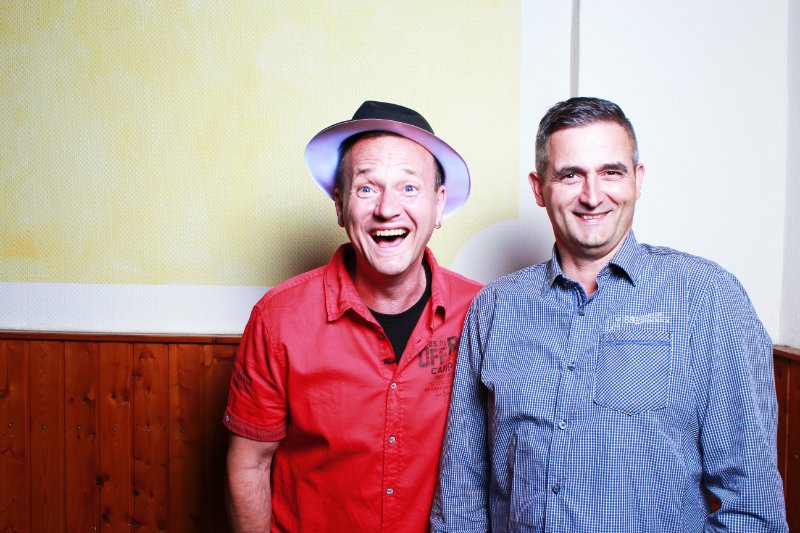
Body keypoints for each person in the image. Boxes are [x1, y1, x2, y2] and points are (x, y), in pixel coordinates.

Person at [431, 97, 788, 532]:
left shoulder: (707, 299)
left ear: (638, 179)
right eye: (570, 175)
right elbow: (462, 492)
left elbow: (751, 504)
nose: (592, 196)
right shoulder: (495, 308)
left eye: (611, 172)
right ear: (539, 188)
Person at [223, 100, 482, 532]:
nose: (387, 208)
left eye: (409, 187)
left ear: (439, 205)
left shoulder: (481, 313)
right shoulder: (278, 317)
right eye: (366, 189)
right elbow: (250, 463)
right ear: (340, 205)